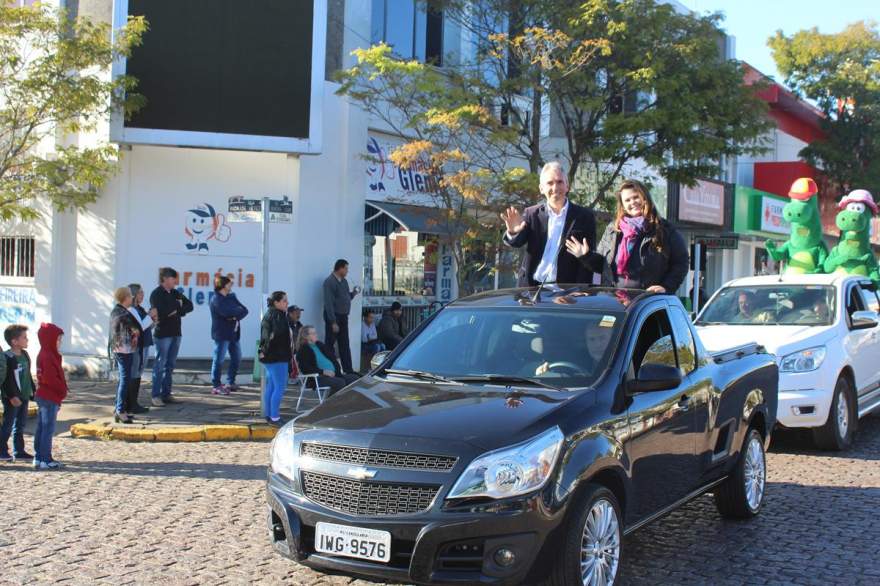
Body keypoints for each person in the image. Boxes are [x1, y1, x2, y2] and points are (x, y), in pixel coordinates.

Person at [568, 179, 688, 293]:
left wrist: (666, 287)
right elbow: (603, 266)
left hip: (646, 303)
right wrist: (585, 256)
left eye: (636, 197)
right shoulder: (613, 229)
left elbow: (681, 263)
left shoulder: (665, 229)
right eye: (627, 200)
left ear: (645, 198)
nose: (633, 202)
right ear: (623, 205)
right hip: (614, 300)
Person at [501, 161, 598, 286]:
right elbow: (517, 242)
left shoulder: (584, 216)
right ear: (541, 188)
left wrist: (580, 290)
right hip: (531, 288)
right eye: (550, 183)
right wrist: (513, 232)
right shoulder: (531, 214)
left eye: (560, 182)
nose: (555, 188)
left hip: (567, 291)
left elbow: (589, 258)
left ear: (567, 186)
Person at [149, 267, 193, 406]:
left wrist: (177, 309)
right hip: (163, 334)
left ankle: (166, 394)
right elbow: (162, 311)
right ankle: (156, 395)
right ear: (166, 279)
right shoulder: (156, 294)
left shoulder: (175, 293)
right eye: (174, 278)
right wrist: (176, 307)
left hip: (176, 333)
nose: (176, 281)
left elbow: (190, 306)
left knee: (170, 365)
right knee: (160, 365)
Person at [34, 323, 68, 469]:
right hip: (49, 396)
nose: (59, 342)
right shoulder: (47, 356)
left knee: (42, 427)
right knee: (47, 429)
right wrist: (62, 390)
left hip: (47, 395)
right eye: (58, 339)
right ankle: (45, 458)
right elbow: (50, 379)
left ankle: (39, 457)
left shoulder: (47, 354)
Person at [209, 275, 249, 395]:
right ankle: (216, 385)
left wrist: (234, 315)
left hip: (234, 333)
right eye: (229, 283)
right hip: (222, 334)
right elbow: (226, 312)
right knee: (219, 359)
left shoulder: (232, 297)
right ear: (223, 285)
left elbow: (244, 310)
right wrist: (235, 313)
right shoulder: (216, 299)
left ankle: (230, 382)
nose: (231, 285)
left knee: (237, 357)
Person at [109, 287, 143, 424]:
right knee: (124, 380)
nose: (132, 298)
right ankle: (120, 410)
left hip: (123, 350)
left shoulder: (118, 311)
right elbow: (134, 329)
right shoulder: (121, 313)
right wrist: (135, 332)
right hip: (123, 350)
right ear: (125, 297)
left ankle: (120, 408)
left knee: (124, 380)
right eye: (130, 296)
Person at [295, 326, 359, 397]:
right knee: (340, 382)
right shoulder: (303, 350)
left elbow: (333, 359)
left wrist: (337, 371)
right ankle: (329, 403)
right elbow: (306, 368)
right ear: (306, 336)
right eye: (313, 333)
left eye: (315, 333)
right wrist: (323, 372)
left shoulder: (320, 345)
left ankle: (346, 401)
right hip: (318, 378)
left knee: (355, 378)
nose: (316, 335)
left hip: (334, 375)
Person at [0, 325, 33, 462]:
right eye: (24, 337)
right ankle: (1, 450)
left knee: (20, 425)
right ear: (14, 341)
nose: (27, 340)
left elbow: (28, 375)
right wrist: (12, 395)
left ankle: (19, 451)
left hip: (24, 395)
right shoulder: (7, 357)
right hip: (12, 397)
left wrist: (33, 391)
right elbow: (5, 379)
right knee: (8, 424)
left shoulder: (25, 355)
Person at [259, 291, 292, 426]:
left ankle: (269, 415)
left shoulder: (270, 314)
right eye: (284, 300)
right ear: (276, 302)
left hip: (270, 356)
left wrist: (263, 352)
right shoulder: (278, 316)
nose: (287, 303)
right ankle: (275, 417)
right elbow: (274, 335)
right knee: (279, 387)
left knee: (271, 387)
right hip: (278, 356)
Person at [323, 259, 360, 374]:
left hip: (344, 316)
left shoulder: (344, 281)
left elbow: (346, 297)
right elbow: (328, 303)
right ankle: (331, 369)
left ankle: (348, 370)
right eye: (346, 268)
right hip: (334, 317)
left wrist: (354, 293)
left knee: (344, 344)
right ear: (340, 268)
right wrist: (333, 321)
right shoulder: (329, 282)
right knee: (330, 345)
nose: (347, 271)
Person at [127, 283, 155, 414]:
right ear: (133, 295)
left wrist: (153, 320)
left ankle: (134, 402)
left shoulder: (140, 309)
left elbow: (146, 326)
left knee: (138, 373)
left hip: (145, 343)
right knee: (135, 373)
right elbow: (140, 327)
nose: (142, 295)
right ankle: (131, 404)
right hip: (138, 345)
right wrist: (150, 316)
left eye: (143, 292)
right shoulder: (132, 309)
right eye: (140, 293)